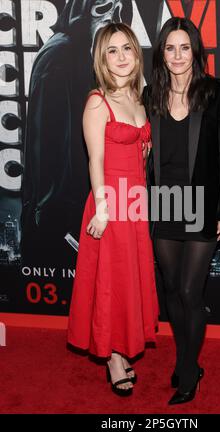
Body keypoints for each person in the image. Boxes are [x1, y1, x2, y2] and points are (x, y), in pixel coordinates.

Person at [143, 17, 220, 405]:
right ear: (161, 53)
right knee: (170, 290)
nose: (178, 55)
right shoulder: (150, 95)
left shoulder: (216, 92)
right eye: (170, 47)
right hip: (164, 202)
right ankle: (188, 362)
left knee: (188, 290)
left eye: (185, 47)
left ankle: (186, 370)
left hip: (201, 204)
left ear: (195, 51)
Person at [67, 23, 159, 397]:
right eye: (112, 51)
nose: (121, 57)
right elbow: (95, 160)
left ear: (137, 54)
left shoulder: (139, 99)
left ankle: (122, 346)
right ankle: (113, 358)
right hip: (110, 204)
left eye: (127, 49)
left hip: (135, 203)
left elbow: (141, 150)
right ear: (101, 59)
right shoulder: (97, 101)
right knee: (109, 281)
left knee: (129, 279)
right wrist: (102, 210)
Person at [20, 0, 130, 268]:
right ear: (83, 9)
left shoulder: (82, 52)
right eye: (103, 7)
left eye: (117, 7)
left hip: (77, 212)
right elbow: (46, 147)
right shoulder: (60, 55)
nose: (113, 16)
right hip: (59, 222)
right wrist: (56, 220)